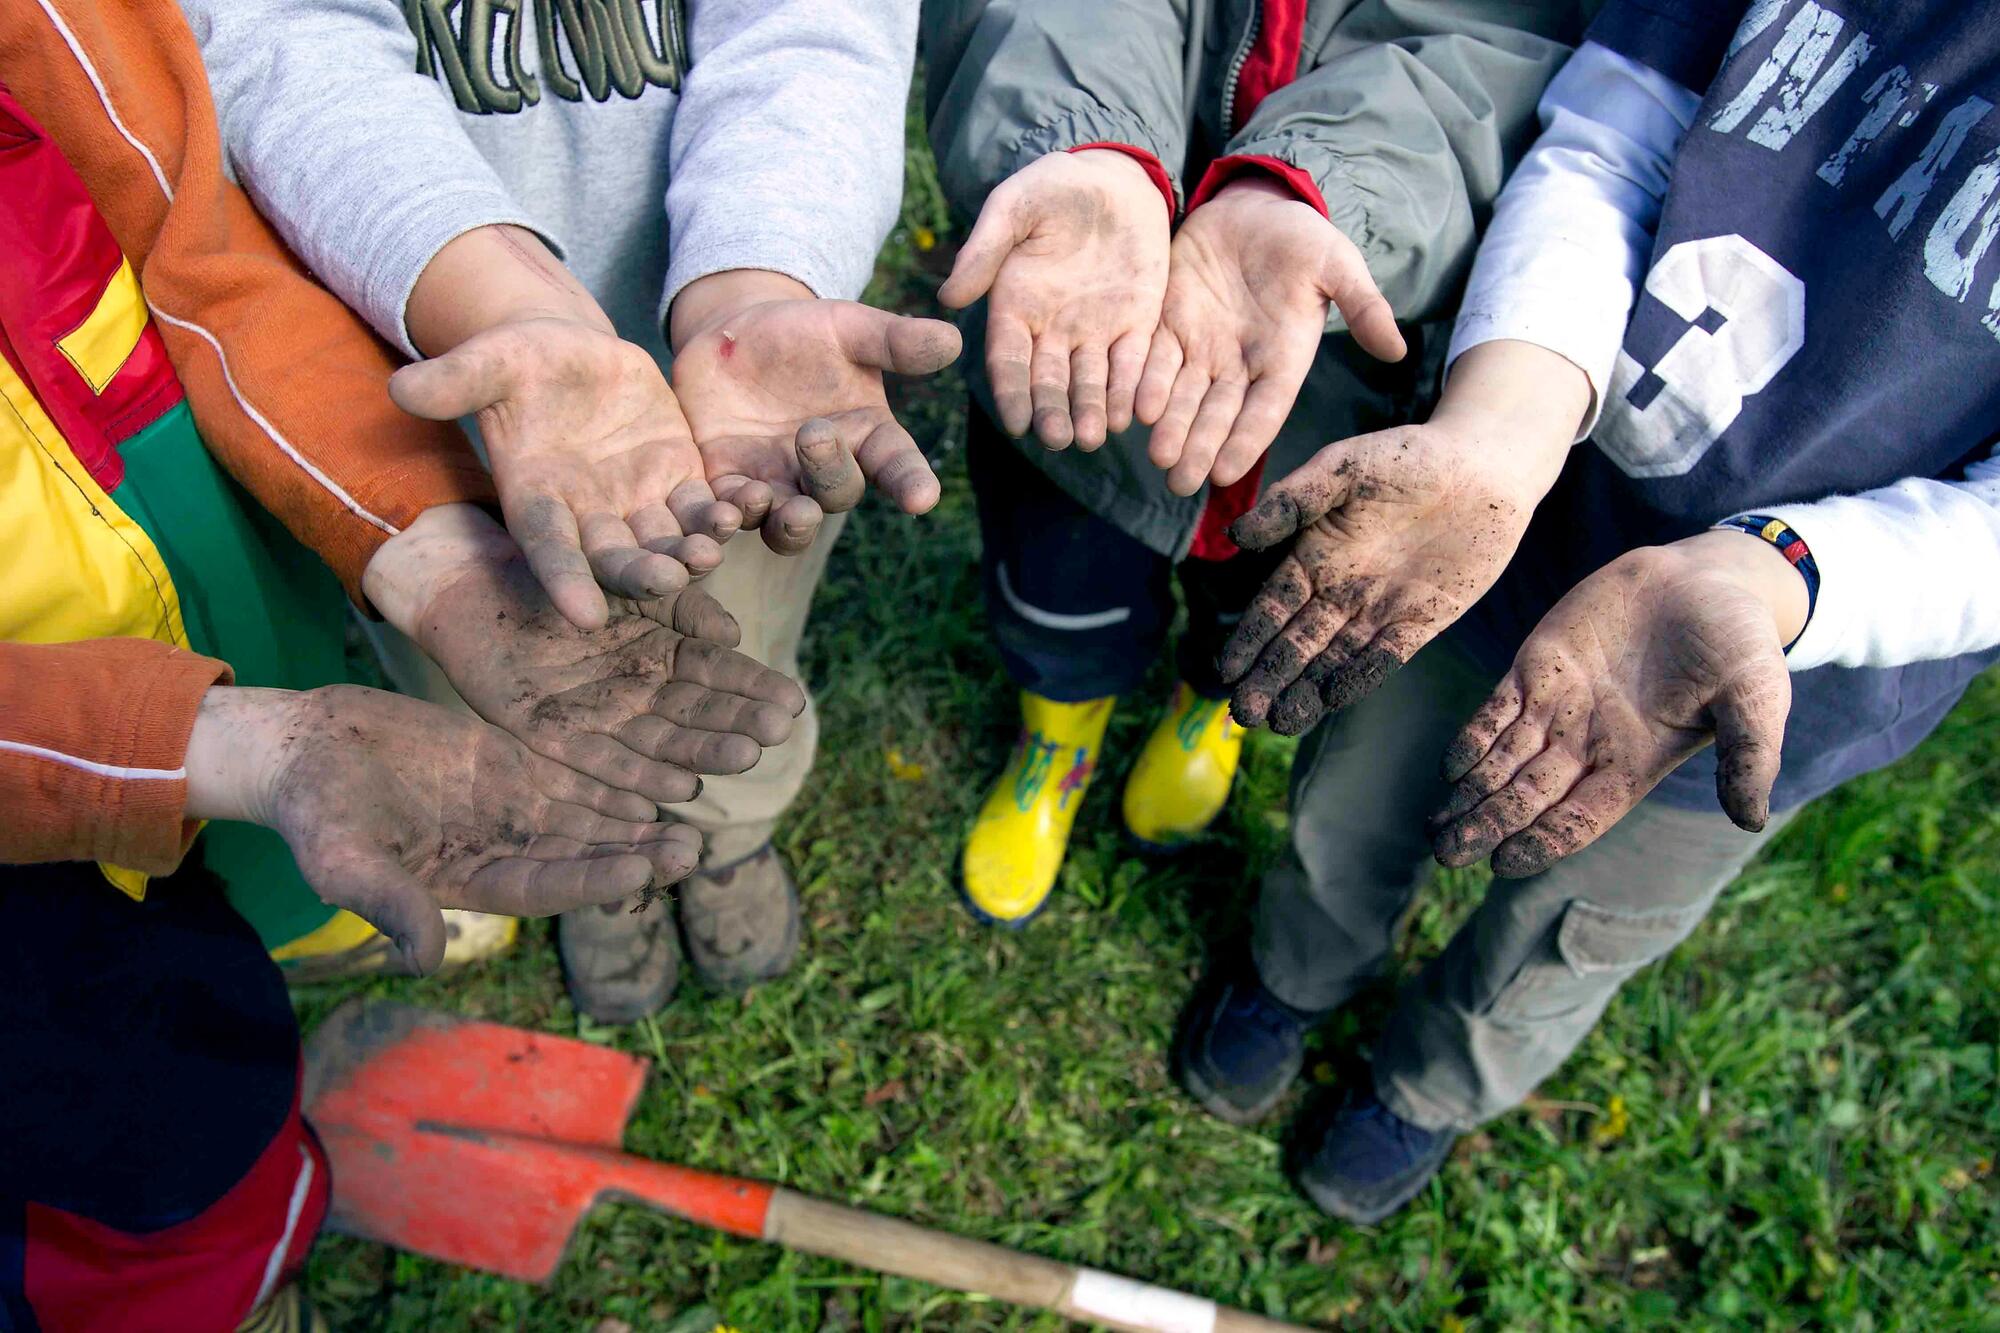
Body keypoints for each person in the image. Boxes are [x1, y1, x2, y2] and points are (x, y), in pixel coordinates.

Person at [1176, 0, 2000, 1223]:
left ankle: (1427, 1089)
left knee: (1572, 936)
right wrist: (1501, 434)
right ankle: (1293, 972)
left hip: (1762, 684)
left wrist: (1764, 575)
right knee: (1350, 799)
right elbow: (1606, 148)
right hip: (1503, 534)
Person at [177, 0, 961, 1018]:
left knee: (742, 648)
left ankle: (726, 832)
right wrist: (500, 302)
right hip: (418, 357)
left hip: (746, 403)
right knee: (493, 663)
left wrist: (752, 282)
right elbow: (278, 36)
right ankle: (589, 843)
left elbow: (813, 25)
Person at [922, 0, 1588, 923]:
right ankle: (1058, 743)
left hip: (1332, 370)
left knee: (1262, 606)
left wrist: (1312, 188)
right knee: (1058, 579)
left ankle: (1204, 709)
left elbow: (1507, 54)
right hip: (1088, 334)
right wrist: (1090, 141)